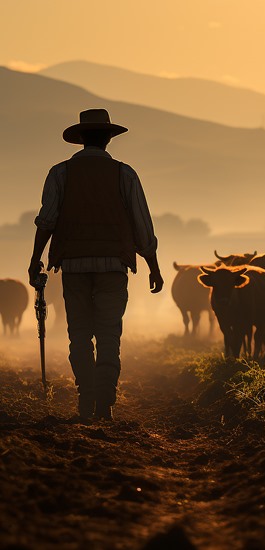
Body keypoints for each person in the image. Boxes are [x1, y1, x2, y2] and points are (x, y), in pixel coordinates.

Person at [28, 108, 164, 421]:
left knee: (78, 335)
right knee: (108, 335)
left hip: (73, 266)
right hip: (113, 266)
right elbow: (142, 225)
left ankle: (85, 401)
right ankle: (104, 405)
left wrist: (36, 259)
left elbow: (46, 221)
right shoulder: (124, 173)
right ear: (107, 139)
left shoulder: (59, 173)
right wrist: (153, 265)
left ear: (80, 140)